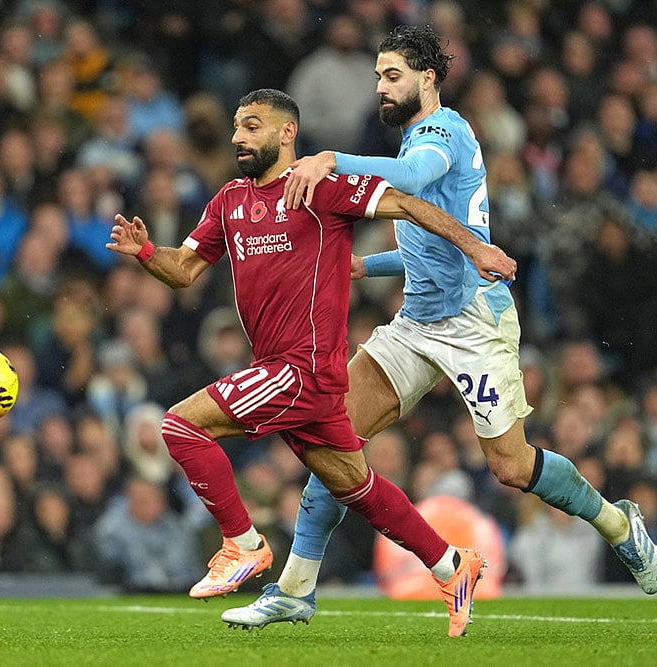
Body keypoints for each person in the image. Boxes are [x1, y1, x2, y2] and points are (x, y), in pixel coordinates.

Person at [223, 24, 657, 630]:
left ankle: (616, 522)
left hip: (475, 321)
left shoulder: (442, 132)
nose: (381, 86)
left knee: (510, 467)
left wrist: (329, 159)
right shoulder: (416, 137)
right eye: (378, 76)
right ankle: (296, 591)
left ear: (427, 78)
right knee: (334, 445)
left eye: (393, 75)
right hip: (416, 322)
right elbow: (429, 247)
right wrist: (365, 266)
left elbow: (404, 181)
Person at [107, 87, 516, 637]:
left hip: (305, 369)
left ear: (286, 132)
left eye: (251, 126)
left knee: (180, 426)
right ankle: (451, 565)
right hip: (284, 370)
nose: (237, 137)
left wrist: (476, 247)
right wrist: (147, 253)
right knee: (355, 484)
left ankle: (243, 546)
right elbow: (184, 269)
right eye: (235, 127)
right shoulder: (228, 199)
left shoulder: (320, 189)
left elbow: (407, 203)